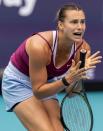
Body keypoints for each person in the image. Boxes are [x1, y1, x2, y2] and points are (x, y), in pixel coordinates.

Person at [2, 3, 102, 131]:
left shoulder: (82, 49)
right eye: (74, 22)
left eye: (82, 22)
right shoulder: (39, 46)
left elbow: (71, 93)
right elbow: (38, 92)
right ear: (61, 25)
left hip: (46, 82)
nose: (80, 27)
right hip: (18, 82)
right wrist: (66, 80)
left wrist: (78, 74)